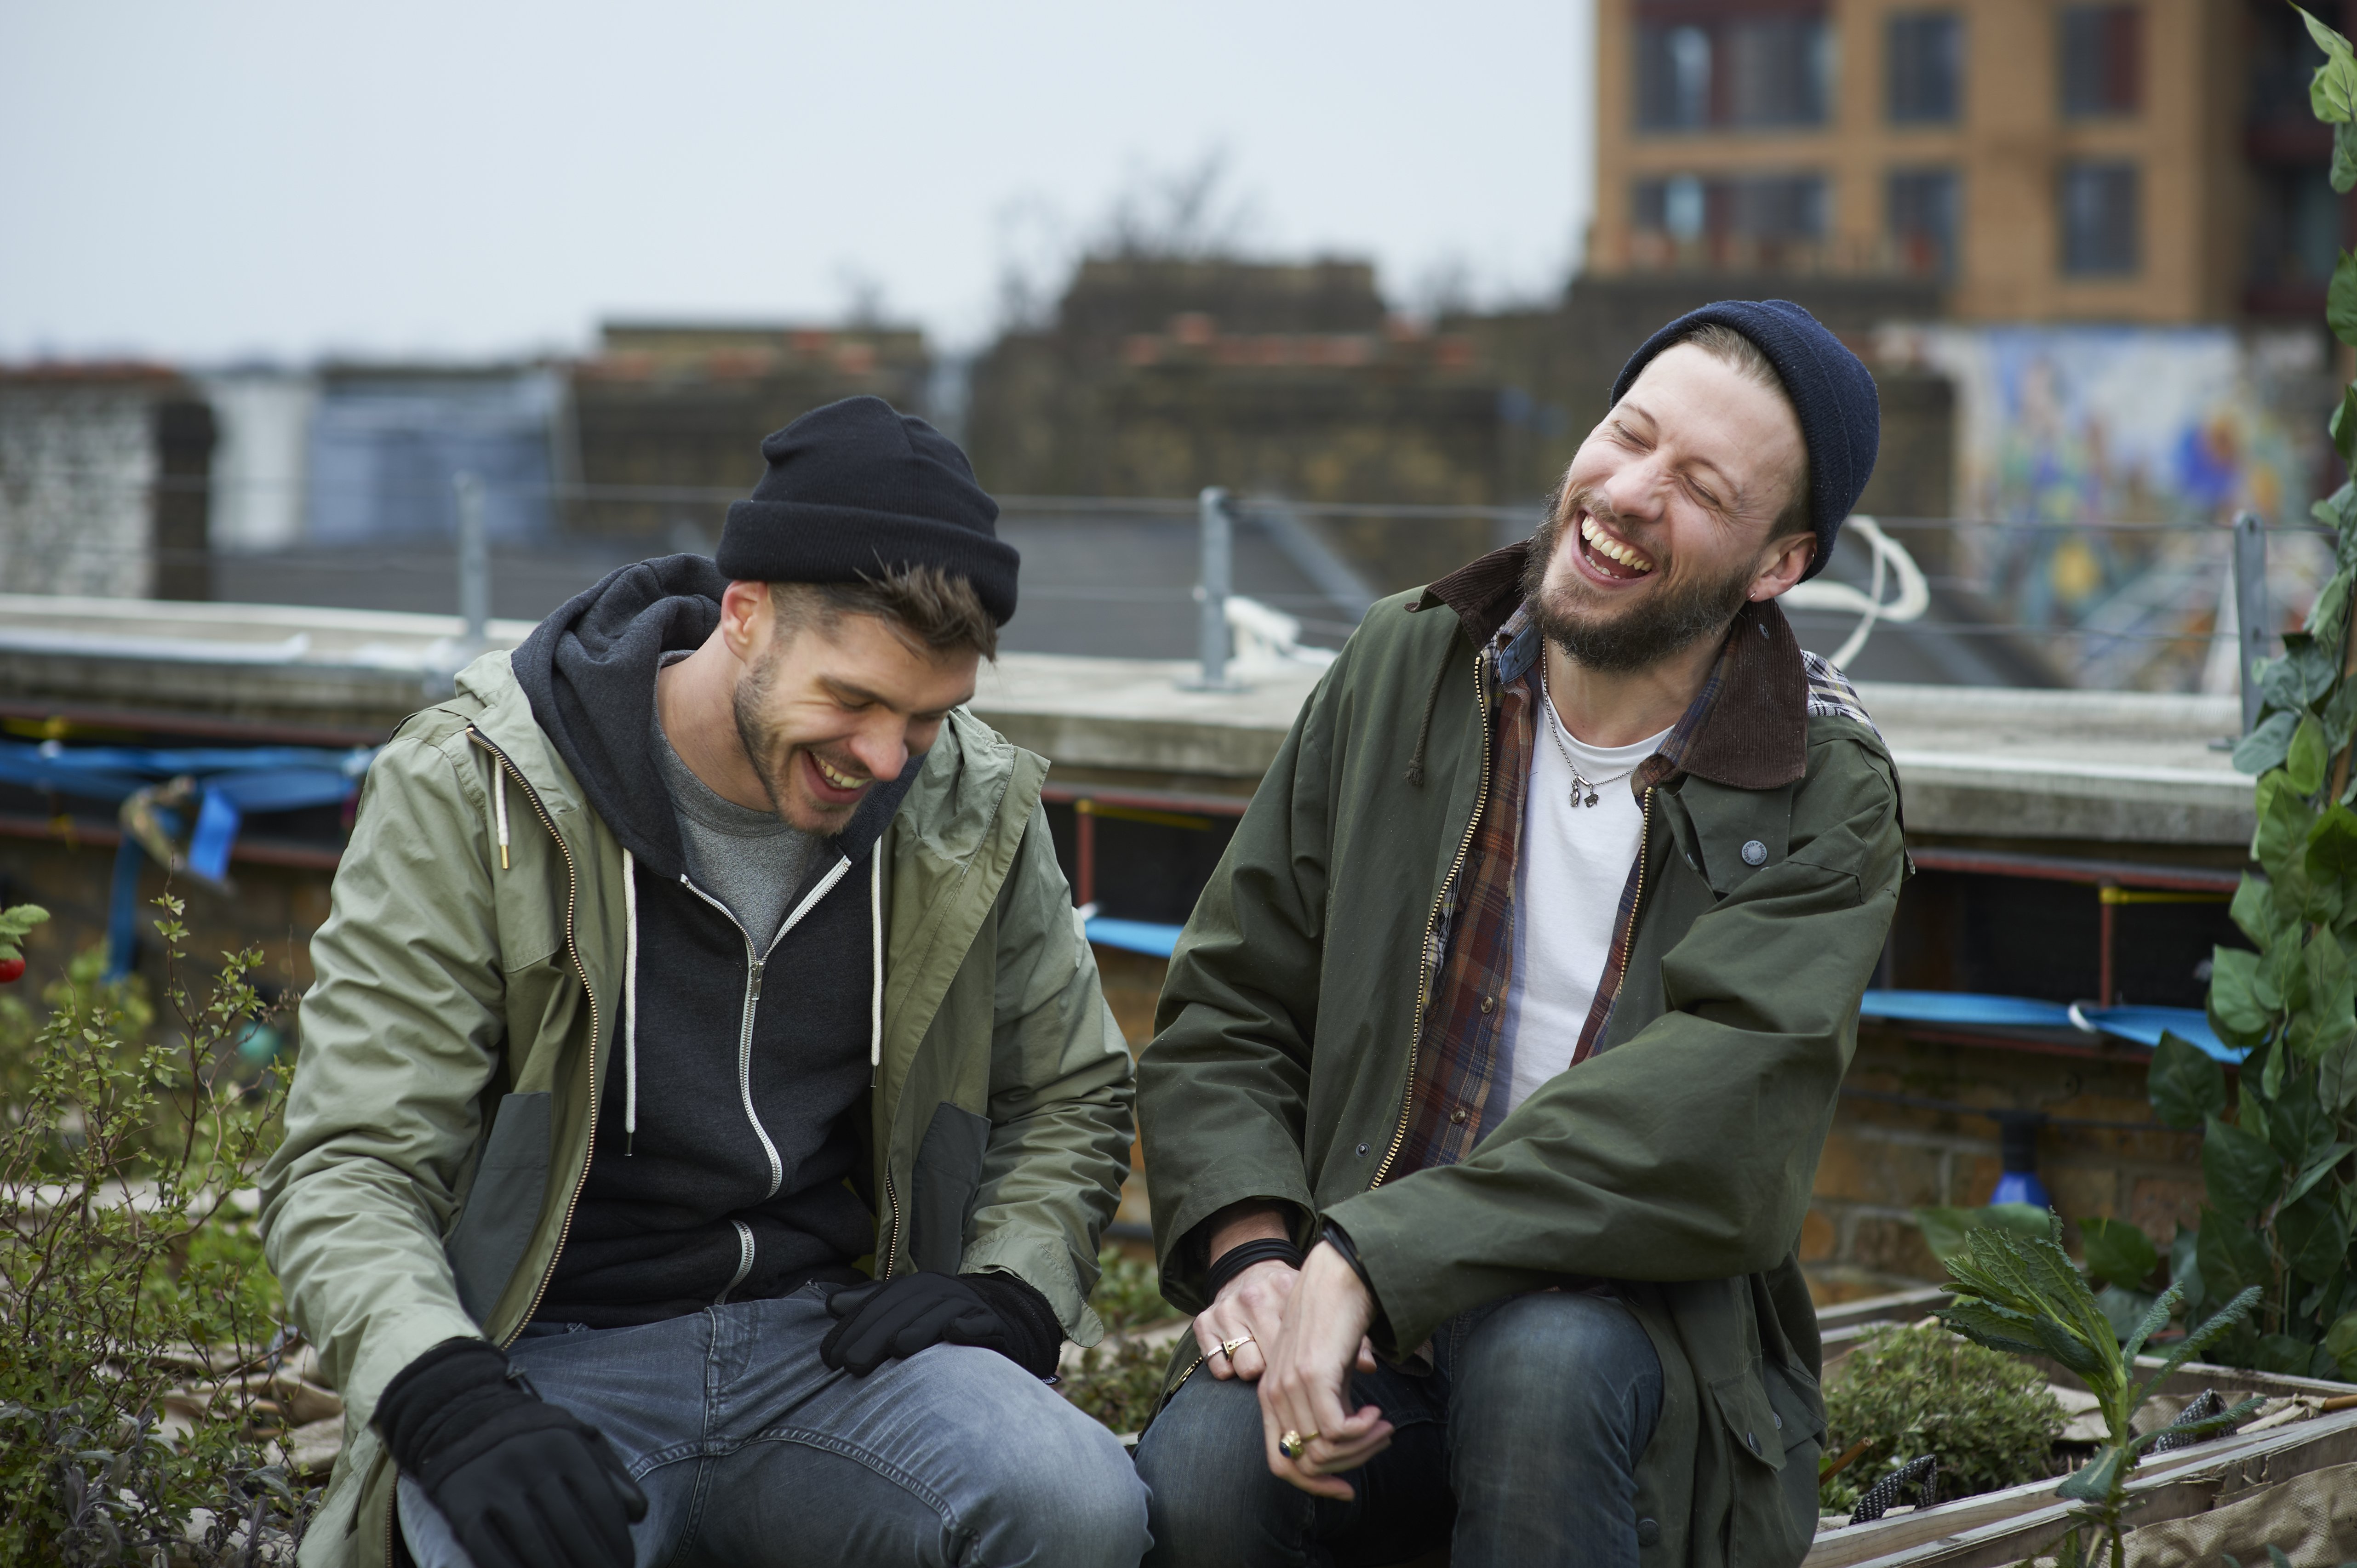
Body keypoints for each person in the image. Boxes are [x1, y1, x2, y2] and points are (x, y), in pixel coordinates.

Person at [261, 397, 1150, 1568]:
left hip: (834, 1350)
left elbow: (1071, 1091)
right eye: (853, 699)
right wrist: (448, 1398)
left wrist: (1014, 1286)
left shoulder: (965, 803)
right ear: (746, 616)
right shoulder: (473, 788)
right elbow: (351, 1161)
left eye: (930, 716)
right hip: (544, 1357)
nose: (884, 758)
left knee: (1080, 1504)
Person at [1131, 301, 1908, 1568]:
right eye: (1627, 433)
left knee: (1542, 1367)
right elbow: (1231, 997)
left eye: (1700, 486)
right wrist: (1259, 1251)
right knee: (1212, 1465)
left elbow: (1710, 1124)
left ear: (1774, 564)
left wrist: (1370, 1258)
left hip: (1623, 1345)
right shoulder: (1404, 660)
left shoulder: (1822, 786)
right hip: (1357, 1294)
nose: (1630, 490)